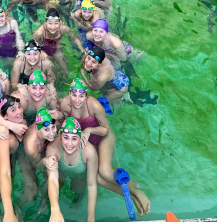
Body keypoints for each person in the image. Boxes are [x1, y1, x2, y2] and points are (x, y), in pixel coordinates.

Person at [58, 79, 151, 216]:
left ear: (86, 95)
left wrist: (90, 129)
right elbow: (63, 123)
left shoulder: (94, 105)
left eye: (81, 95)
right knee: (94, 177)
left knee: (105, 172)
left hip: (102, 136)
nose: (77, 99)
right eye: (74, 95)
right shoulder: (64, 104)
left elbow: (105, 129)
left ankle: (137, 191)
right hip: (85, 140)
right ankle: (130, 196)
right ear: (69, 93)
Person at [45, 117, 99, 222]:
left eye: (74, 138)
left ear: (81, 137)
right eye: (66, 137)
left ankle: (76, 204)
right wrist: (55, 209)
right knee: (57, 185)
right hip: (61, 171)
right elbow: (52, 178)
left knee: (77, 189)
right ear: (60, 136)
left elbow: (92, 185)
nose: (69, 144)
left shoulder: (89, 152)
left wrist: (90, 219)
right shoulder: (53, 148)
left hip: (80, 175)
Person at [16, 108, 58, 217]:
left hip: (42, 152)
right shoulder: (31, 145)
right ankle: (17, 205)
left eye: (53, 127)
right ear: (38, 129)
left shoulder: (48, 124)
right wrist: (45, 161)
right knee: (31, 194)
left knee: (53, 178)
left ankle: (44, 200)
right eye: (46, 130)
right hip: (28, 161)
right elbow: (37, 165)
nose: (51, 132)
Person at [31, 8, 83, 81]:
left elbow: (75, 38)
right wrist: (40, 52)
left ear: (60, 22)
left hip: (56, 48)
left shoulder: (64, 29)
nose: (53, 27)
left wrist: (82, 49)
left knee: (65, 69)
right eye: (50, 23)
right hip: (43, 50)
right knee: (49, 70)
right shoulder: (40, 32)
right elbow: (31, 44)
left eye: (56, 23)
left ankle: (63, 83)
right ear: (46, 22)